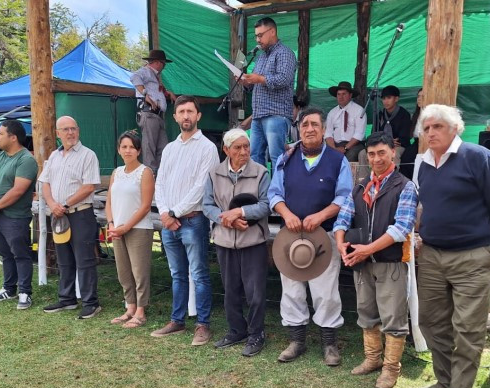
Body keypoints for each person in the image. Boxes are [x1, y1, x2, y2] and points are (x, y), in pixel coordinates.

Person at [415, 104, 490, 388]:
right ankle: (444, 380)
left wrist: (482, 238)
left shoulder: (478, 157)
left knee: (468, 330)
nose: (430, 133)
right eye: (426, 127)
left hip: (472, 257)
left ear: (454, 128)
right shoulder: (424, 164)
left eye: (437, 127)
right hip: (431, 255)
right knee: (430, 322)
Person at [268, 107, 353, 365]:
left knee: (326, 293)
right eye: (305, 125)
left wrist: (321, 215)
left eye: (315, 124)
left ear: (324, 129)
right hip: (291, 238)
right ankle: (297, 342)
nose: (310, 129)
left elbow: (345, 197)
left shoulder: (338, 161)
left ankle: (329, 345)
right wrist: (287, 213)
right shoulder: (286, 158)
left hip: (323, 237)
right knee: (291, 291)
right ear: (299, 129)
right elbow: (274, 194)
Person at [333, 132, 417, 388]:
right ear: (366, 156)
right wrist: (340, 244)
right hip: (362, 262)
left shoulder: (405, 186)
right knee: (367, 312)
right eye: (371, 154)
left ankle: (391, 368)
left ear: (393, 152)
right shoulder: (360, 187)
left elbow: (401, 228)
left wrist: (366, 249)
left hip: (390, 262)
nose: (377, 158)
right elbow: (343, 218)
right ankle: (372, 359)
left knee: (393, 317)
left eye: (382, 152)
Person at [151, 95, 220, 345]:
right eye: (181, 112)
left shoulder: (207, 148)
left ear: (198, 116)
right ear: (175, 117)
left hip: (193, 220)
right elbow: (161, 183)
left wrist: (174, 213)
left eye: (190, 111)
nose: (186, 116)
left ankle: (203, 325)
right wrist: (166, 212)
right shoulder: (170, 149)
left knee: (199, 274)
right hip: (170, 221)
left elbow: (202, 187)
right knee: (177, 274)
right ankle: (177, 321)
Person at [202, 128, 271, 357]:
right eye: (238, 148)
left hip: (253, 241)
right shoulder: (214, 174)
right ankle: (236, 330)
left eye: (246, 146)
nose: (244, 152)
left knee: (255, 293)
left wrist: (240, 212)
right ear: (226, 150)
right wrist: (227, 220)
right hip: (224, 240)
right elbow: (207, 206)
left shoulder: (260, 173)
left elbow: (266, 205)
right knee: (230, 289)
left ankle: (256, 333)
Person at [39, 116, 103, 319]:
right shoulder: (54, 156)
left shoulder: (88, 155)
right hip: (58, 214)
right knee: (64, 258)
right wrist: (52, 205)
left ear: (79, 130)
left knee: (84, 260)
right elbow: (45, 183)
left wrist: (65, 205)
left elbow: (90, 186)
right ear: (58, 134)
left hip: (79, 214)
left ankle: (90, 302)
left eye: (73, 128)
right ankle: (66, 299)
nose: (70, 133)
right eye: (65, 129)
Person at [0, 121, 38, 310]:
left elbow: (18, 190)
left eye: (0, 133)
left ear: (13, 137)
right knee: (5, 254)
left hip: (14, 216)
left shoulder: (25, 160)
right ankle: (8, 288)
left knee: (20, 254)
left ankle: (25, 292)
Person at [106, 130, 155, 329]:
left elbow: (145, 205)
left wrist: (126, 226)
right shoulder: (116, 173)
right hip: (117, 228)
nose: (128, 151)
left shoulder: (145, 172)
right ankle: (130, 307)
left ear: (138, 150)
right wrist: (111, 223)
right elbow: (109, 200)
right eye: (124, 147)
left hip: (138, 228)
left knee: (139, 271)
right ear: (119, 150)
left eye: (132, 147)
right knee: (123, 271)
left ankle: (141, 311)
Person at [241, 16, 297, 166]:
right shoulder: (260, 58)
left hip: (276, 114)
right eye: (256, 36)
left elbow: (284, 79)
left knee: (277, 156)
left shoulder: (285, 53)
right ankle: (260, 189)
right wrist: (245, 82)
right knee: (254, 157)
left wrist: (259, 79)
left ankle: (278, 190)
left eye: (260, 35)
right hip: (258, 116)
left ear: (272, 31)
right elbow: (254, 85)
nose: (258, 40)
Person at [131, 49, 176, 172]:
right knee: (149, 147)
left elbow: (156, 91)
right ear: (157, 62)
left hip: (158, 116)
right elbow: (134, 76)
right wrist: (145, 95)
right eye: (163, 63)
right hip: (149, 113)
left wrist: (167, 93)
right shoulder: (145, 71)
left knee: (163, 148)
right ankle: (150, 177)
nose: (164, 66)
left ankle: (161, 175)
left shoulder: (155, 76)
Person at [324, 81, 367, 163]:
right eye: (338, 94)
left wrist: (345, 148)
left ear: (350, 95)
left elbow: (359, 134)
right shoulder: (332, 112)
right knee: (325, 155)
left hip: (354, 145)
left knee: (350, 156)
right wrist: (334, 149)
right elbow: (328, 133)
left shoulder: (359, 110)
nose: (341, 97)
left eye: (344, 94)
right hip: (336, 144)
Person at [399, 88, 424, 178]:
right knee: (405, 159)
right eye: (418, 96)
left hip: (426, 142)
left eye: (423, 97)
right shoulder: (417, 114)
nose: (419, 99)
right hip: (417, 142)